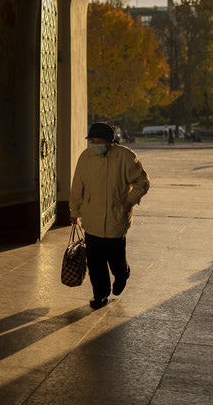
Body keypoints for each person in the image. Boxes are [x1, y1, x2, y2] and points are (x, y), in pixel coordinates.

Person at [70, 122, 149, 309]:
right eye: (93, 141)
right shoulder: (85, 157)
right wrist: (75, 211)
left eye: (100, 141)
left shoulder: (126, 157)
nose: (95, 145)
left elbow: (142, 182)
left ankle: (122, 273)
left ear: (110, 142)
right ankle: (100, 294)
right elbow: (77, 187)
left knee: (115, 259)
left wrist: (129, 202)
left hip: (116, 218)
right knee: (95, 263)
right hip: (92, 218)